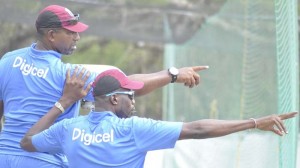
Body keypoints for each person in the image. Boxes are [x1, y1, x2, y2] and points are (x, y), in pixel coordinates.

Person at [0, 4, 208, 168]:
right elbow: (124, 85)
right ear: (52, 35)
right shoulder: (70, 76)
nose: (77, 37)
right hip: (43, 161)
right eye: (71, 32)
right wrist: (171, 75)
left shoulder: (8, 61)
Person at [20, 68, 298, 168]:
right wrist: (254, 122)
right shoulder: (133, 129)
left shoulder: (68, 128)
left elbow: (28, 142)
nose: (133, 101)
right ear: (115, 99)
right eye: (131, 95)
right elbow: (198, 129)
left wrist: (63, 103)